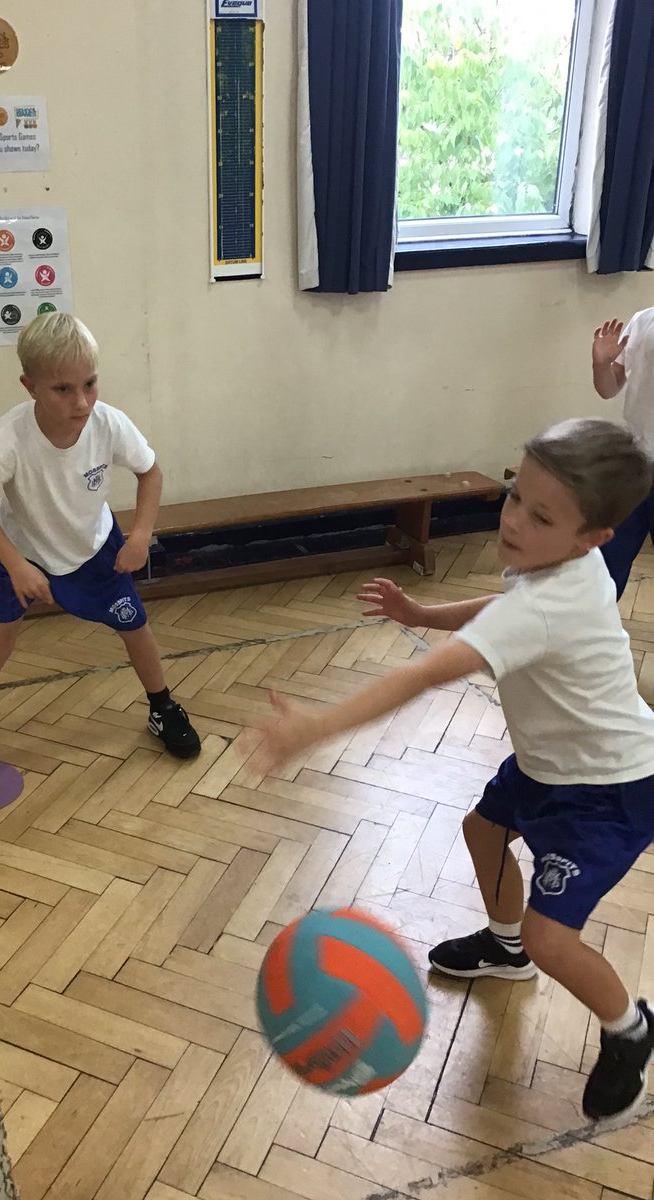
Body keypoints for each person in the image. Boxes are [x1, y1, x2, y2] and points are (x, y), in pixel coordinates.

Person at [254, 418, 654, 1123]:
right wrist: (422, 611)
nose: (514, 522)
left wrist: (314, 728)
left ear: (595, 537)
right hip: (550, 765)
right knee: (482, 829)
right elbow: (507, 609)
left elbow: (427, 677)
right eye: (514, 498)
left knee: (551, 937)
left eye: (541, 515)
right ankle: (505, 950)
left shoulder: (556, 592)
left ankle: (631, 1029)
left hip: (609, 789)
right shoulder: (562, 565)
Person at [0, 312, 200, 807]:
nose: (81, 402)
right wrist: (16, 564)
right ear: (30, 386)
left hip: (95, 549)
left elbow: (151, 473)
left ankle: (162, 707)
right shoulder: (7, 439)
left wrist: (142, 535)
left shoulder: (108, 423)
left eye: (89, 384)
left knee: (136, 628)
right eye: (63, 389)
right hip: (24, 555)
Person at [592, 310, 654, 597]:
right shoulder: (642, 320)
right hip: (636, 463)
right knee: (605, 563)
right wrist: (601, 364)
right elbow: (608, 388)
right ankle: (591, 634)